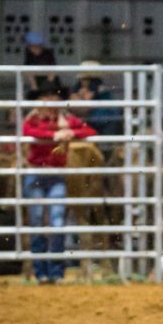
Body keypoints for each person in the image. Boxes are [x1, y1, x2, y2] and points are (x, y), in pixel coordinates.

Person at [23, 84, 96, 283]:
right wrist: (55, 135)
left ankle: (54, 272)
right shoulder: (34, 121)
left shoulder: (65, 121)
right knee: (38, 221)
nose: (50, 104)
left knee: (56, 222)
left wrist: (71, 133)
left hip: (55, 175)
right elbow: (28, 131)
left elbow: (89, 130)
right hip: (37, 173)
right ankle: (41, 272)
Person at [68, 61, 122, 136]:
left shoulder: (101, 90)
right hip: (90, 123)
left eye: (85, 79)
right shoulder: (78, 88)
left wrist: (89, 95)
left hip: (102, 122)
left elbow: (83, 108)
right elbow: (74, 107)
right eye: (82, 79)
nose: (82, 81)